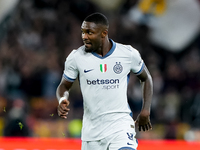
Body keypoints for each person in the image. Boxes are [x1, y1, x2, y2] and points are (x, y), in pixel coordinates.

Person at [56, 12, 153, 150]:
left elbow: (146, 78)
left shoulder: (127, 53)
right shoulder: (76, 57)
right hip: (92, 134)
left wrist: (145, 110)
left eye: (89, 32)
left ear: (103, 33)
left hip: (120, 127)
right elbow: (64, 85)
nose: (84, 37)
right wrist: (62, 99)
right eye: (83, 32)